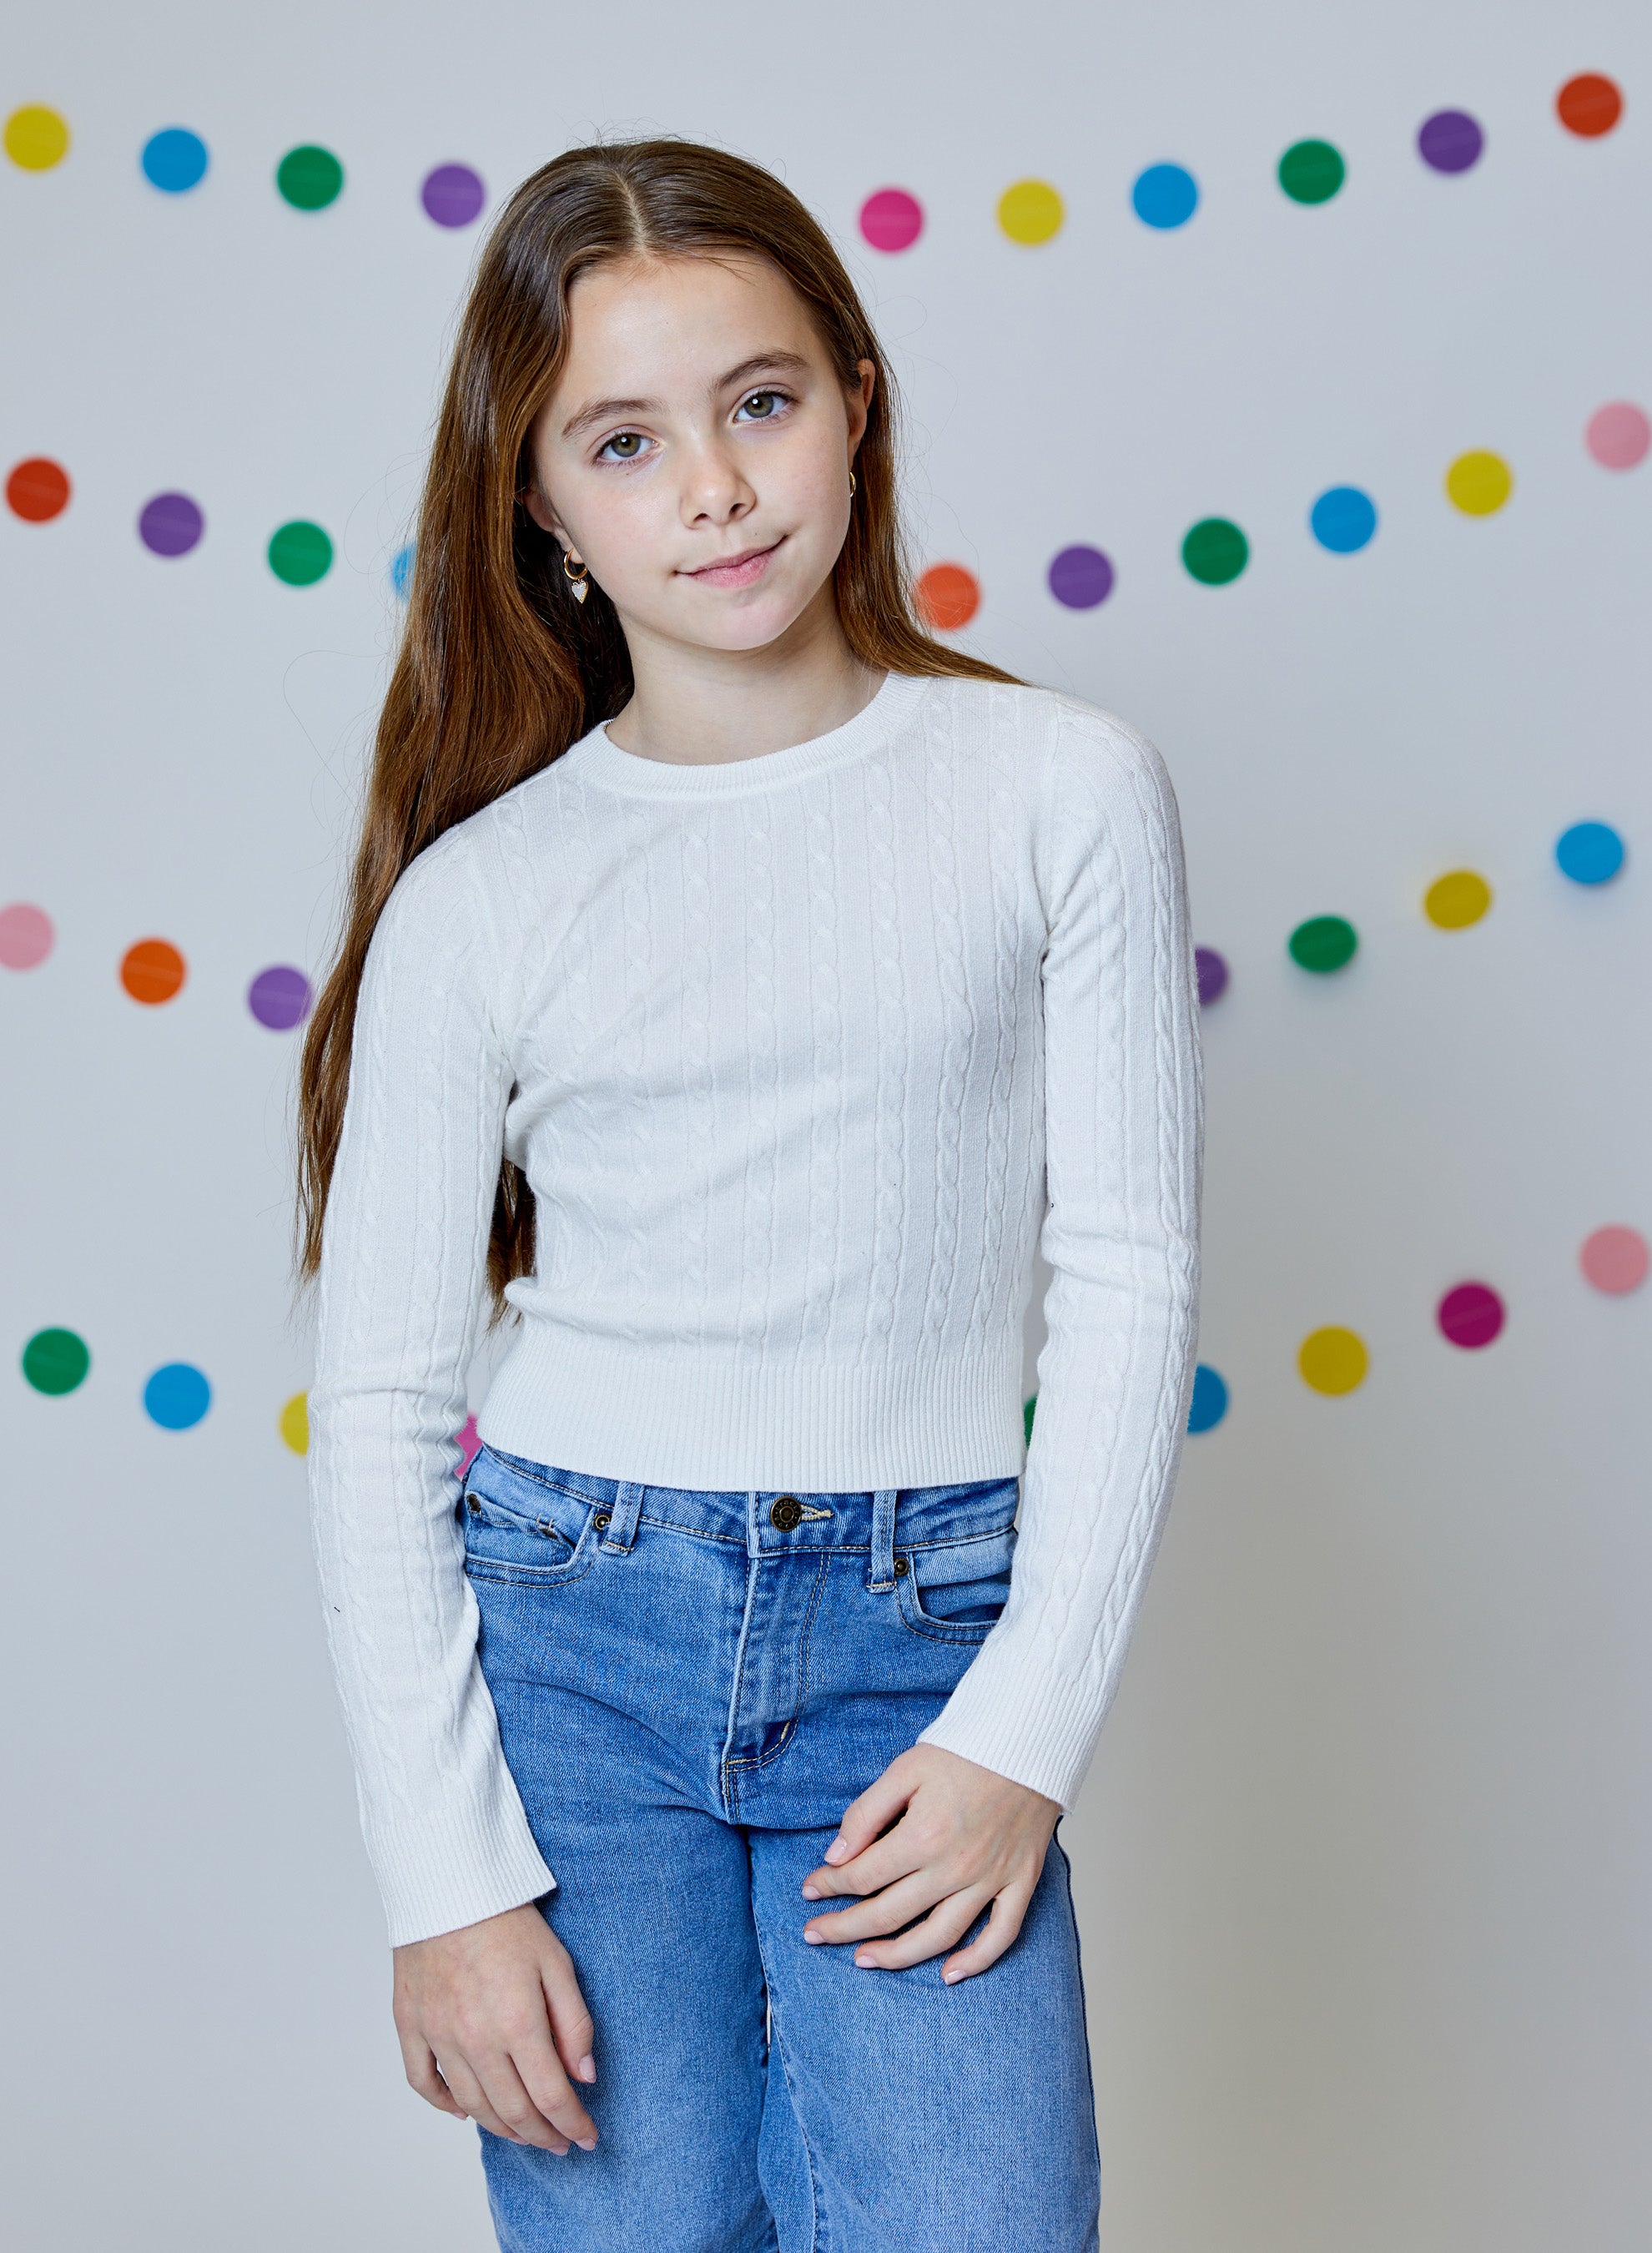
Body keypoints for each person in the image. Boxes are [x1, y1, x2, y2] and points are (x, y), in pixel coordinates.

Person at [295, 135, 1203, 2252]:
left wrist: (1025, 1734)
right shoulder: (483, 895)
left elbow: (1129, 1277)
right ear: (540, 508)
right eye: (624, 442)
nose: (712, 488)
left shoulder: (1059, 789)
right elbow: (383, 1402)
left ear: (856, 404)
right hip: (572, 1655)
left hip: (925, 1638)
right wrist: (445, 1885)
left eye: (761, 402)